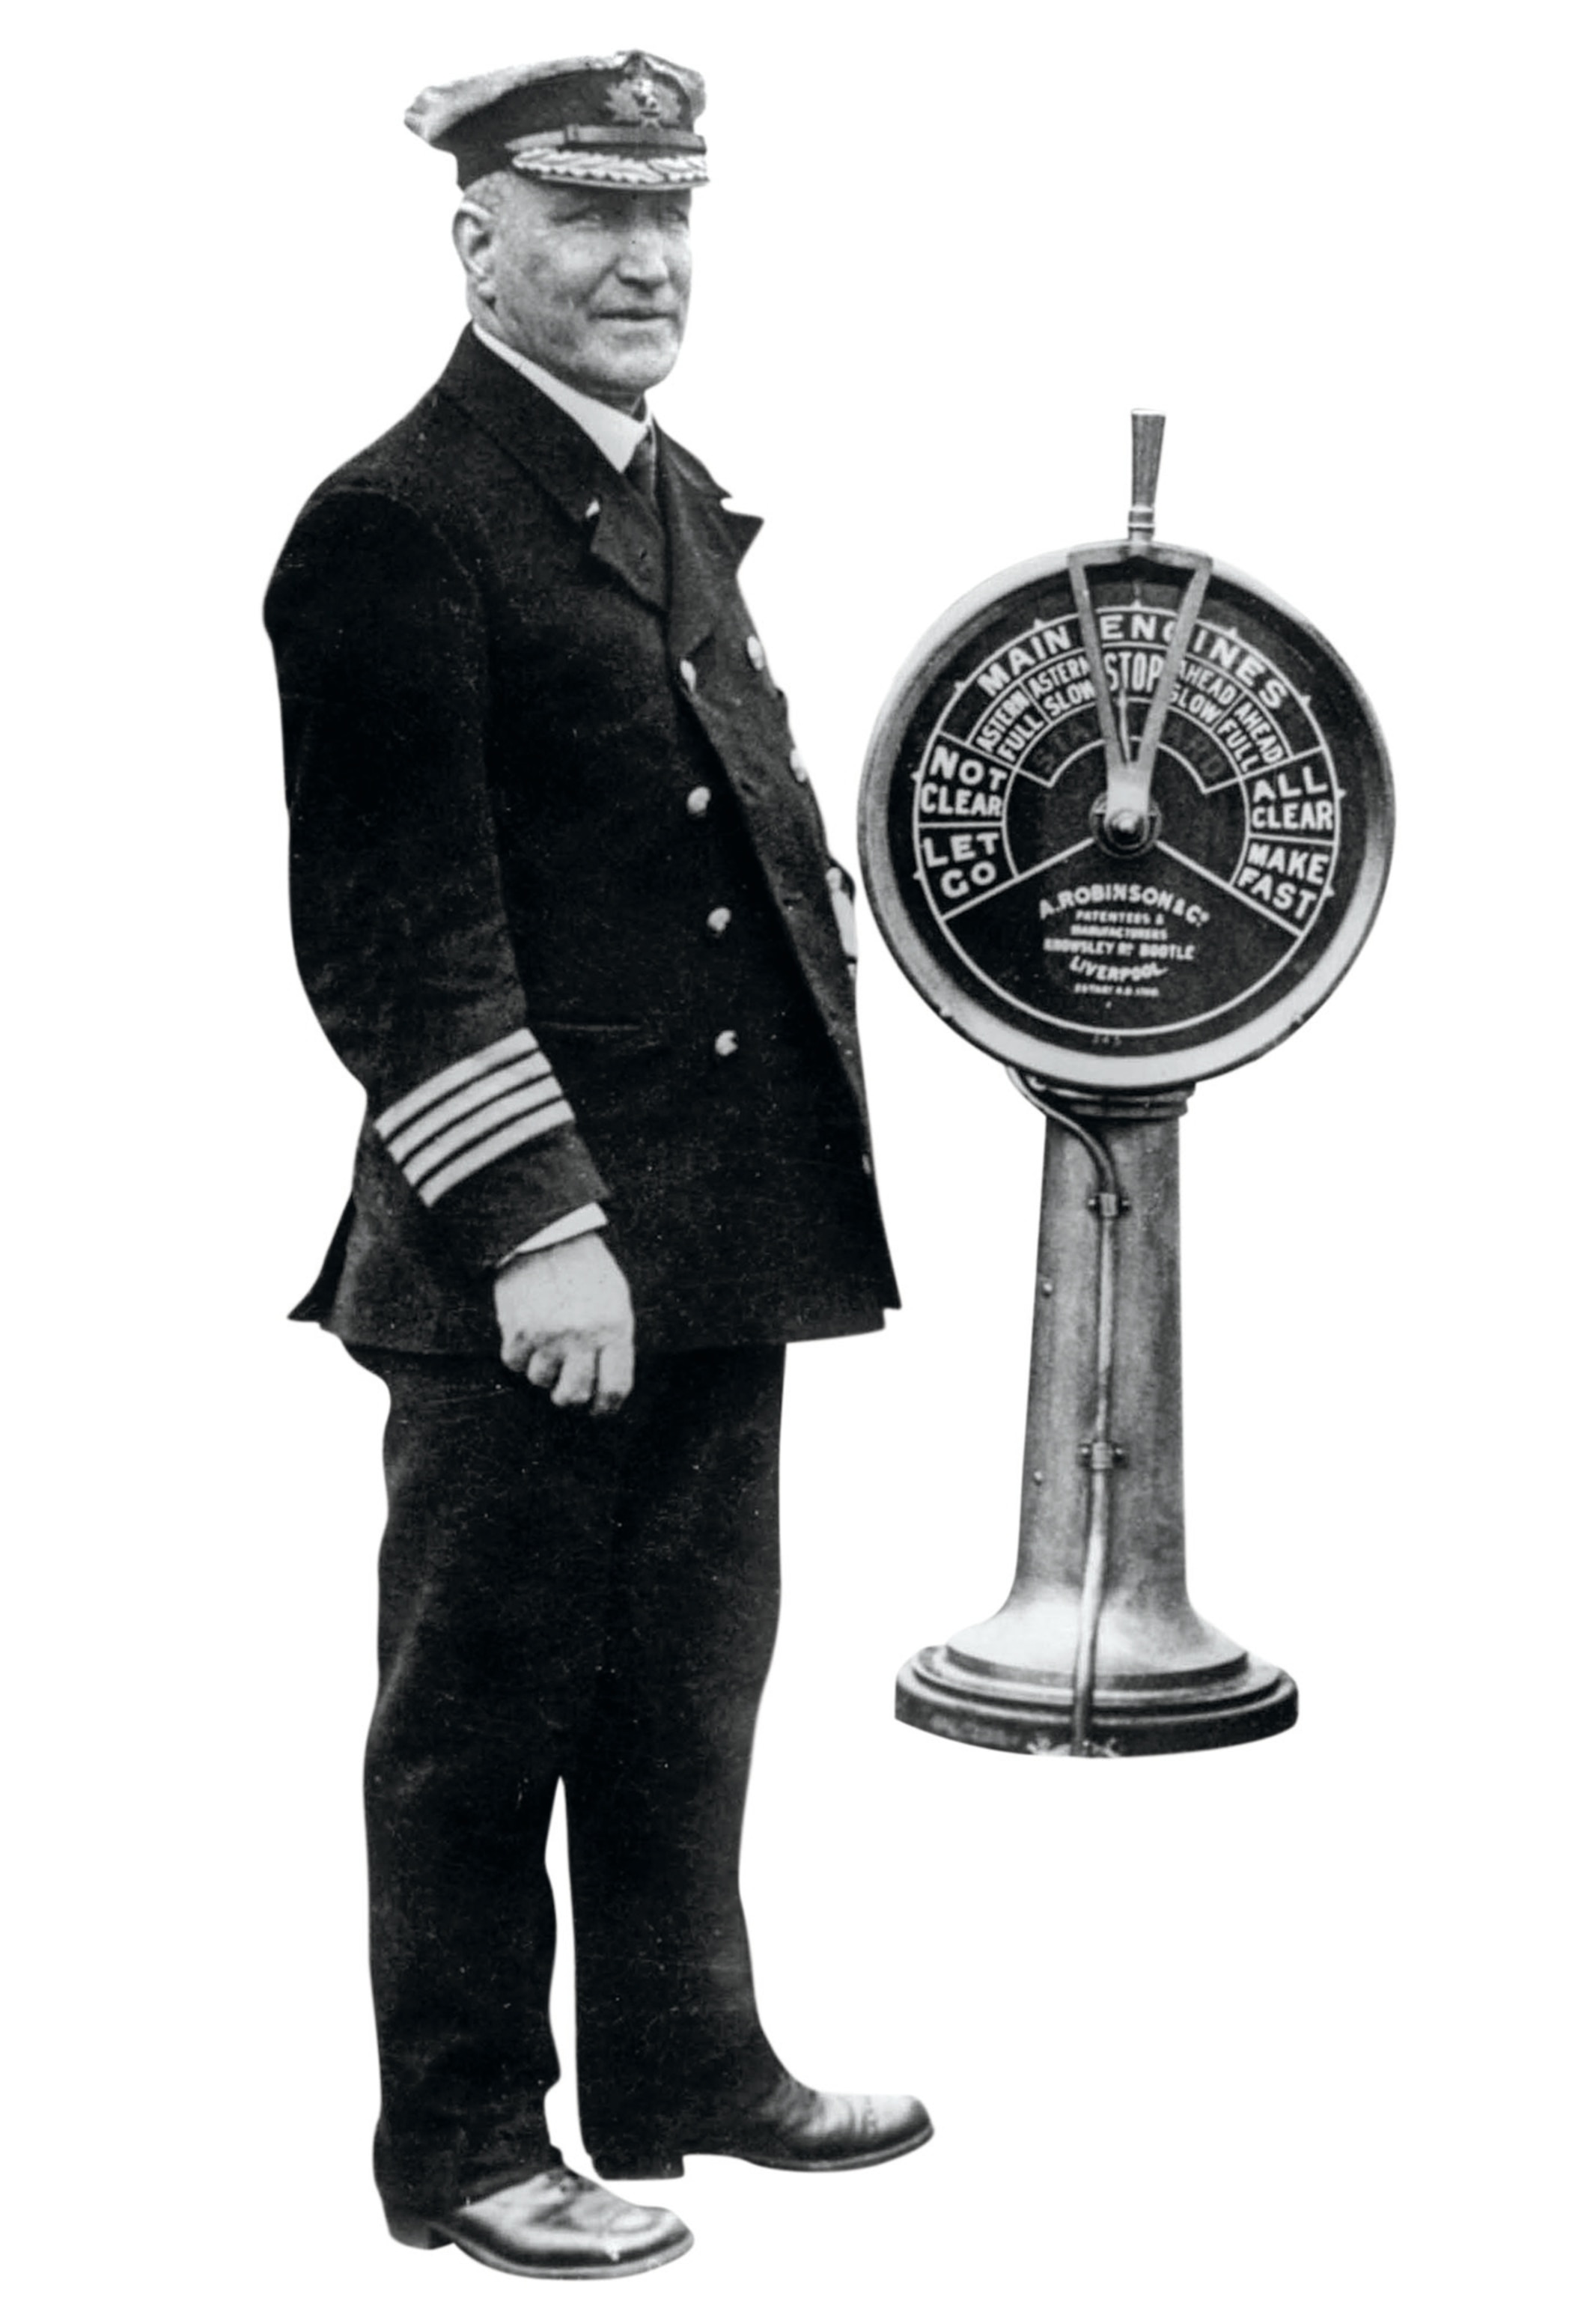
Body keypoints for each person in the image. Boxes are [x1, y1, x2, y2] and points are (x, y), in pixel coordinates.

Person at [264, 50, 929, 2283]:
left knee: (683, 1681)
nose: (643, 261)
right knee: (484, 1720)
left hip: (718, 1230)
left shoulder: (656, 493)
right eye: (587, 221)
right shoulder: (399, 522)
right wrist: (541, 1228)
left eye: (671, 219)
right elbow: (396, 928)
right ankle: (464, 2147)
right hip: (524, 1263)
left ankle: (684, 2062)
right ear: (478, 244)